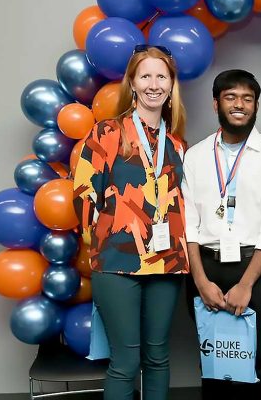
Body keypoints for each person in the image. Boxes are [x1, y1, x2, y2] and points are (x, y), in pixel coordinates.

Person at [72, 44, 188, 400]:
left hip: (166, 263)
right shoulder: (107, 133)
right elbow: (83, 194)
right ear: (133, 84)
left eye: (161, 76)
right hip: (117, 261)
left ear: (171, 85)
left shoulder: (178, 144)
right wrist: (103, 242)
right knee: (125, 360)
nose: (154, 84)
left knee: (157, 357)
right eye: (146, 76)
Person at [182, 69, 261, 400]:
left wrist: (245, 285)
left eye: (247, 98)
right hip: (206, 267)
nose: (239, 104)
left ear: (256, 106)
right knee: (213, 357)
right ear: (216, 104)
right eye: (231, 97)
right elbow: (189, 223)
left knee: (260, 359)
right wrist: (200, 281)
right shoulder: (196, 155)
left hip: (254, 268)